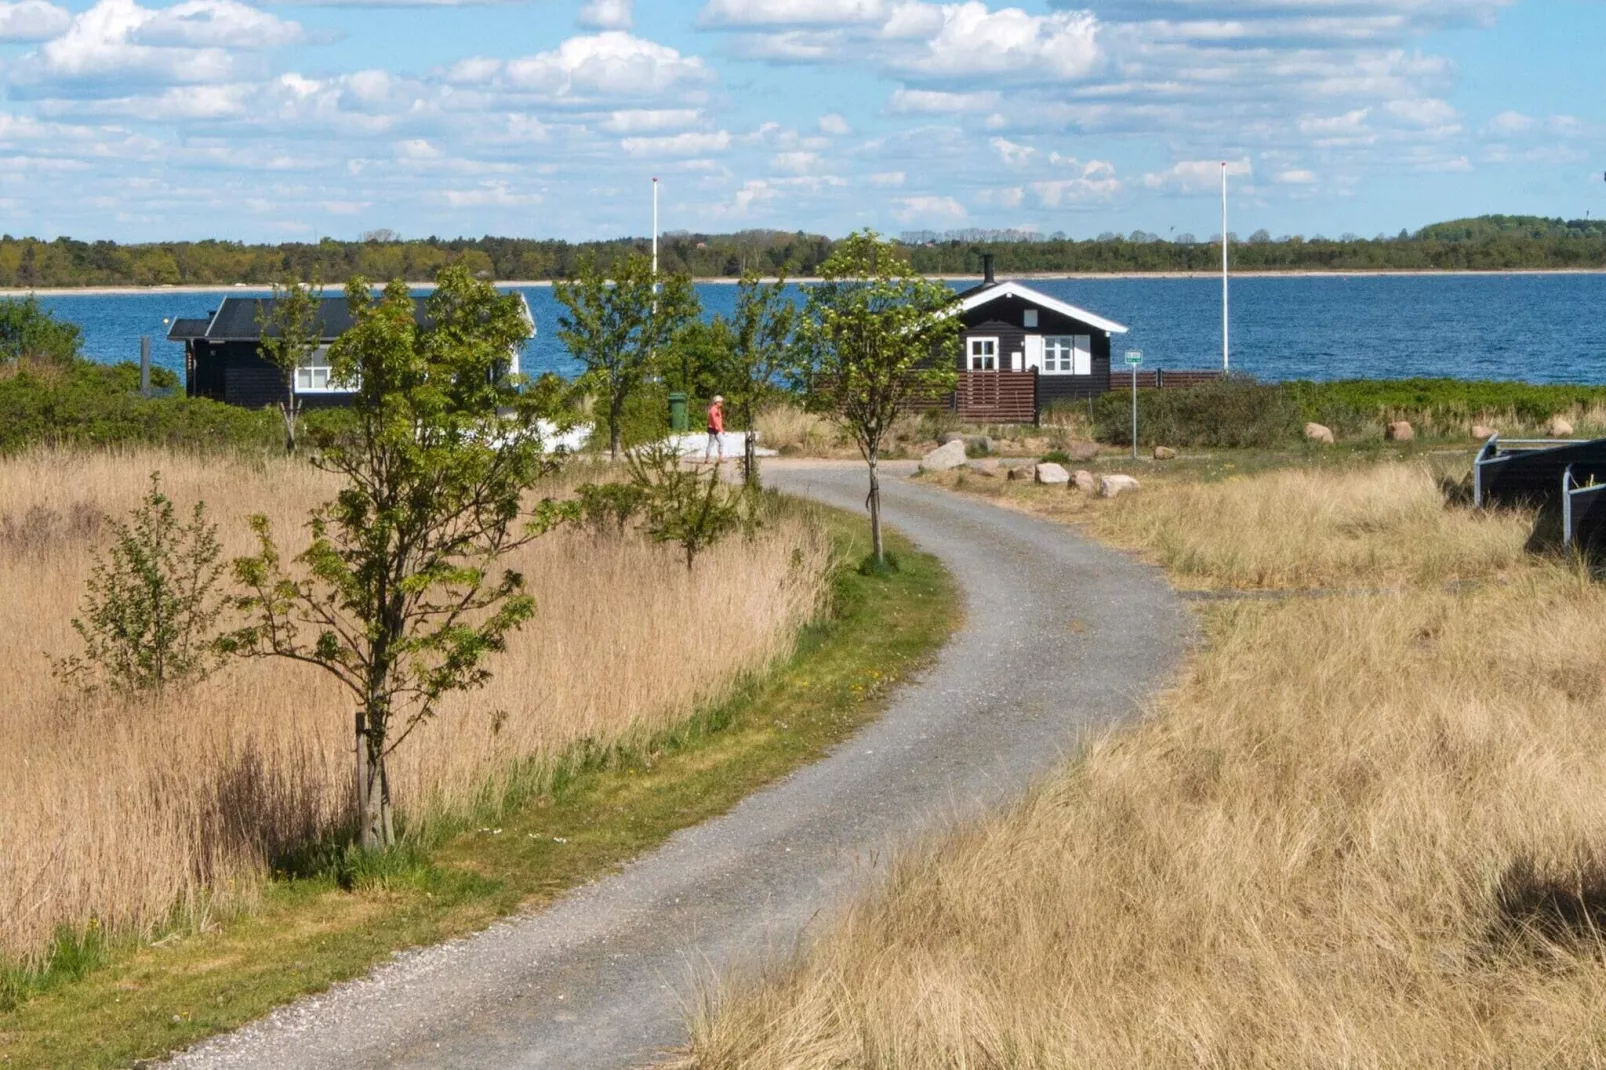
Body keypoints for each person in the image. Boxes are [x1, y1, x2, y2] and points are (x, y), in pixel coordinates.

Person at [705, 395, 725, 463]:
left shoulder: (718, 409)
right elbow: (715, 420)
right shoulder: (713, 409)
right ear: (716, 402)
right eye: (720, 402)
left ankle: (720, 458)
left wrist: (721, 428)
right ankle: (707, 459)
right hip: (713, 428)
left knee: (721, 442)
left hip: (716, 429)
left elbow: (719, 420)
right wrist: (720, 429)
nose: (721, 403)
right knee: (711, 443)